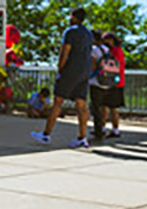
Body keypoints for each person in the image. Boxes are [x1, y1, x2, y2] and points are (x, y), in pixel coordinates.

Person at [29, 8, 95, 149]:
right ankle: (83, 138)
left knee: (57, 102)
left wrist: (60, 67)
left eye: (70, 16)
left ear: (74, 17)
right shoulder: (89, 34)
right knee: (81, 105)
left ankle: (46, 135)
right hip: (84, 71)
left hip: (70, 71)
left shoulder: (70, 31)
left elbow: (65, 50)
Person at [89, 32, 125, 139]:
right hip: (111, 82)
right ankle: (104, 128)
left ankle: (109, 129)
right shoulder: (111, 50)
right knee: (106, 107)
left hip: (113, 83)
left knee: (108, 107)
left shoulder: (114, 51)